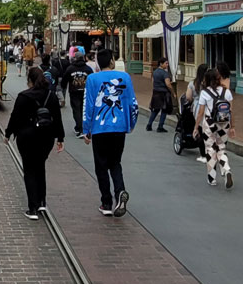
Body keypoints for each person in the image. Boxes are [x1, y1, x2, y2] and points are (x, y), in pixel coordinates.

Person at [82, 49, 137, 217]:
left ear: (98, 62)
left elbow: (88, 105)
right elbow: (132, 103)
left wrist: (86, 130)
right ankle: (120, 191)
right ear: (112, 61)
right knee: (115, 163)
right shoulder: (125, 78)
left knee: (101, 166)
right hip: (119, 128)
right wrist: (131, 123)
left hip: (99, 129)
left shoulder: (92, 79)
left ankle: (106, 202)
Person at [5, 67, 64, 219]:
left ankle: (33, 208)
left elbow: (15, 117)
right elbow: (57, 117)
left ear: (29, 80)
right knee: (40, 166)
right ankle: (42, 201)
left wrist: (8, 133)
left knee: (29, 170)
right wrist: (60, 138)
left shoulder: (23, 96)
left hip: (27, 137)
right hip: (46, 137)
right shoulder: (51, 96)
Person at [194, 68, 235, 188]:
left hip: (210, 124)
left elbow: (201, 112)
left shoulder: (205, 93)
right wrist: (233, 126)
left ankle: (212, 178)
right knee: (221, 148)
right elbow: (231, 111)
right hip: (224, 124)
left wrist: (196, 127)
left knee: (211, 149)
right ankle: (226, 169)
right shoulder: (227, 92)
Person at [61, 53, 92, 139]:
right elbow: (92, 79)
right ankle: (82, 127)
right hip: (85, 91)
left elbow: (65, 79)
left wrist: (63, 86)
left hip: (74, 91)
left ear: (75, 58)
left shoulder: (71, 68)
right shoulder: (87, 69)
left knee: (76, 109)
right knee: (83, 109)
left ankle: (80, 128)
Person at [145, 57, 174, 133]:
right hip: (163, 93)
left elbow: (153, 81)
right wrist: (173, 92)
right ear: (161, 64)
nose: (167, 65)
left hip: (156, 92)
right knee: (164, 110)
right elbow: (168, 84)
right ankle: (160, 126)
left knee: (155, 110)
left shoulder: (155, 72)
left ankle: (149, 125)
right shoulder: (165, 73)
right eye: (166, 63)